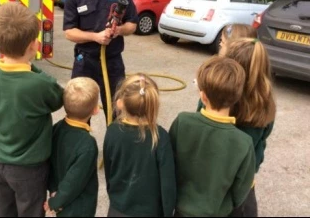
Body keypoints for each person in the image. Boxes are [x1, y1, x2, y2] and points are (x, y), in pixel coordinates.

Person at [0, 2, 64, 217]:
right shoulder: (38, 84)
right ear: (34, 46)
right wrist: (31, 66)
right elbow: (57, 97)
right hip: (30, 168)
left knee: (5, 211)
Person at [169, 56, 256, 217]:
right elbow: (241, 192)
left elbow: (168, 166)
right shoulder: (244, 143)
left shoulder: (182, 122)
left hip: (181, 210)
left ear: (203, 96)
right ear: (237, 98)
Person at [63, 0, 138, 123]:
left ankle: (114, 146)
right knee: (79, 112)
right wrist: (96, 37)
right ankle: (82, 148)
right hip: (85, 62)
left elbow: (132, 24)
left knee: (118, 110)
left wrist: (119, 30)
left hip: (113, 62)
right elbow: (69, 33)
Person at [103, 73, 176, 217]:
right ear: (153, 105)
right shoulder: (160, 136)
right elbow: (168, 184)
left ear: (120, 102)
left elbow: (109, 170)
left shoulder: (112, 131)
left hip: (118, 209)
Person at [225, 38, 276, 217]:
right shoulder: (266, 105)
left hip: (217, 182)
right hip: (245, 185)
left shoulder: (221, 101)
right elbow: (261, 147)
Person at [45, 77, 100, 217]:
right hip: (79, 207)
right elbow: (74, 181)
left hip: (58, 195)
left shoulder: (56, 128)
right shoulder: (87, 144)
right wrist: (55, 203)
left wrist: (53, 191)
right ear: (95, 110)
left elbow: (49, 162)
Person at [196, 23, 257, 111]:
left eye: (222, 42)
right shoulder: (262, 88)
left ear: (234, 49)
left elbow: (202, 115)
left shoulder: (220, 81)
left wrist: (204, 86)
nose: (220, 44)